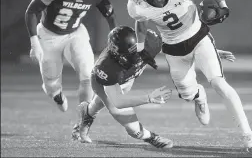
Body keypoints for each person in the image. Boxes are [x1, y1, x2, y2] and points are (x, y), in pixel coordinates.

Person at [126, 0, 252, 152]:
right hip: (173, 49)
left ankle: (248, 135)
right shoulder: (137, 5)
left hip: (199, 38)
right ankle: (199, 96)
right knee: (187, 94)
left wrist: (223, 6)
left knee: (219, 83)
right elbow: (141, 22)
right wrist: (140, 47)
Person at [73, 26, 236, 146]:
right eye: (120, 55)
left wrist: (208, 52)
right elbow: (119, 101)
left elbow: (176, 46)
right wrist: (149, 97)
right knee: (130, 126)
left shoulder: (149, 42)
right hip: (104, 82)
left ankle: (85, 112)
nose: (124, 59)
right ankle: (149, 137)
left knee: (98, 104)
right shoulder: (107, 67)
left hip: (127, 79)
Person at [25, 0, 117, 114]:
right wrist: (34, 42)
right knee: (51, 83)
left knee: (88, 75)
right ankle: (57, 95)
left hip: (76, 33)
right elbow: (32, 12)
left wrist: (114, 36)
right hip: (48, 36)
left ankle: (84, 119)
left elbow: (108, 13)